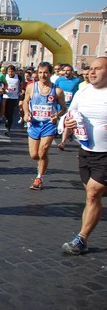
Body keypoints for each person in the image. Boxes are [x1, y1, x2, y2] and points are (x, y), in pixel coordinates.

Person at [61, 57, 107, 255]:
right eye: (90, 68)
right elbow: (69, 114)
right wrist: (67, 123)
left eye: (98, 68)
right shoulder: (83, 91)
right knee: (91, 195)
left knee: (93, 193)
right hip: (86, 151)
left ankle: (81, 239)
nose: (92, 72)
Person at [22, 62, 67, 190]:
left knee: (43, 151)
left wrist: (57, 115)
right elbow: (26, 101)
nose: (43, 75)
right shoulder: (32, 87)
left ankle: (39, 178)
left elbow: (64, 108)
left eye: (46, 72)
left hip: (49, 125)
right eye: (41, 72)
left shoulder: (57, 90)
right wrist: (26, 113)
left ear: (51, 73)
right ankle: (42, 163)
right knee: (34, 155)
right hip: (34, 124)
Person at [55, 64, 81, 150]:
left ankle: (62, 142)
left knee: (66, 123)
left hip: (71, 106)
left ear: (72, 71)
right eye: (64, 70)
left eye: (68, 70)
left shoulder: (77, 81)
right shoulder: (59, 80)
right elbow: (54, 91)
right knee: (60, 123)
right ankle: (70, 133)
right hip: (60, 105)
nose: (66, 72)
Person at [3, 65, 23, 137]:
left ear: (14, 71)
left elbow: (21, 85)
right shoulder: (5, 76)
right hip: (5, 97)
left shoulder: (18, 77)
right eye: (9, 71)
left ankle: (8, 128)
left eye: (12, 71)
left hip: (14, 97)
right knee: (5, 112)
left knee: (10, 112)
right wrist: (2, 89)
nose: (10, 73)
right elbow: (2, 84)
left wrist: (21, 90)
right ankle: (7, 119)